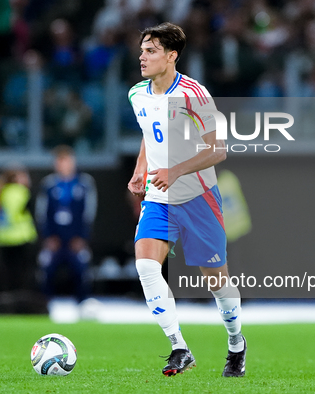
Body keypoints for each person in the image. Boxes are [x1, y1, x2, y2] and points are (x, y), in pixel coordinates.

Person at [127, 22, 246, 377]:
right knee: (147, 267)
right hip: (159, 198)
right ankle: (179, 347)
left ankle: (236, 342)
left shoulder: (194, 93)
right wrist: (140, 167)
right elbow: (150, 135)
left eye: (151, 51)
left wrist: (176, 170)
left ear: (171, 56)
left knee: (217, 282)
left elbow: (218, 150)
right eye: (142, 50)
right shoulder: (137, 94)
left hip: (198, 198)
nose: (142, 57)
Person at [36, 145, 97, 303]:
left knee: (81, 268)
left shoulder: (85, 183)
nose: (63, 165)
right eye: (59, 161)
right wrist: (48, 237)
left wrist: (82, 237)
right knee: (46, 268)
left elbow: (89, 213)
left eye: (66, 161)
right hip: (54, 239)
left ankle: (82, 304)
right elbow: (41, 213)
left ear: (73, 162)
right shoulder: (48, 184)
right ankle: (45, 304)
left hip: (76, 238)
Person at [0, 164, 38, 292]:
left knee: (6, 272)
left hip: (3, 238)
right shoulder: (20, 192)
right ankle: (20, 301)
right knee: (21, 273)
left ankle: (7, 301)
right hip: (21, 238)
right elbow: (20, 214)